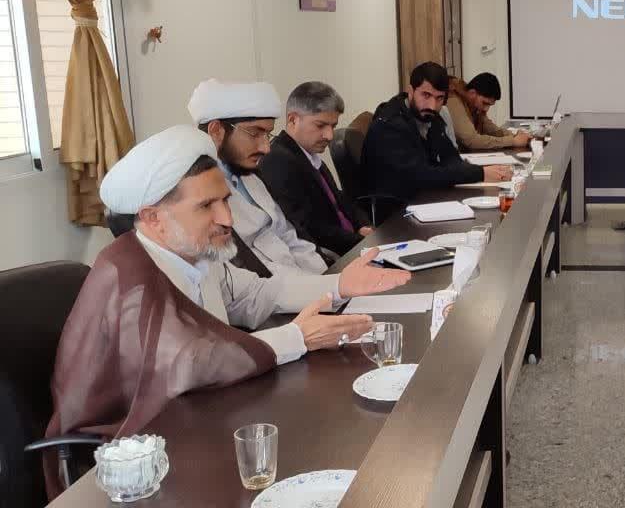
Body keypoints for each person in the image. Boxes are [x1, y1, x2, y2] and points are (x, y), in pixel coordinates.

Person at [43, 126, 410, 495]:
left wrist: (340, 284)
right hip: (127, 463)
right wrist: (298, 337)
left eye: (225, 201)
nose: (227, 219)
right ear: (153, 218)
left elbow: (255, 294)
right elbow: (191, 361)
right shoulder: (127, 275)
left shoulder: (194, 251)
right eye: (206, 206)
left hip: (202, 419)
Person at [189, 79, 328, 276]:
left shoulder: (250, 175)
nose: (266, 148)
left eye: (267, 135)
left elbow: (289, 236)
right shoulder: (200, 196)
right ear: (216, 131)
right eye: (255, 134)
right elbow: (249, 275)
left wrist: (331, 279)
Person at [363, 62, 513, 200]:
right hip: (394, 208)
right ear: (410, 91)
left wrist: (485, 172)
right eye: (426, 95)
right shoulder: (391, 125)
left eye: (439, 98)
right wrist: (480, 173)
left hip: (422, 197)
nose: (432, 105)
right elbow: (420, 175)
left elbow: (451, 158)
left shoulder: (430, 116)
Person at [258, 81, 372, 257]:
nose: (330, 136)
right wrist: (360, 242)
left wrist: (363, 224)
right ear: (293, 120)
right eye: (320, 126)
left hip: (354, 244)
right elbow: (307, 228)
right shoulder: (278, 161)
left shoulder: (308, 154)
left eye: (333, 126)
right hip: (333, 257)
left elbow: (339, 199)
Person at [446, 72, 532, 151]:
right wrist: (512, 141)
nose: (486, 109)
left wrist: (515, 135)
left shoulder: (474, 105)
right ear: (472, 93)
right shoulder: (453, 100)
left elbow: (491, 129)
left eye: (489, 105)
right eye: (485, 103)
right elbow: (471, 140)